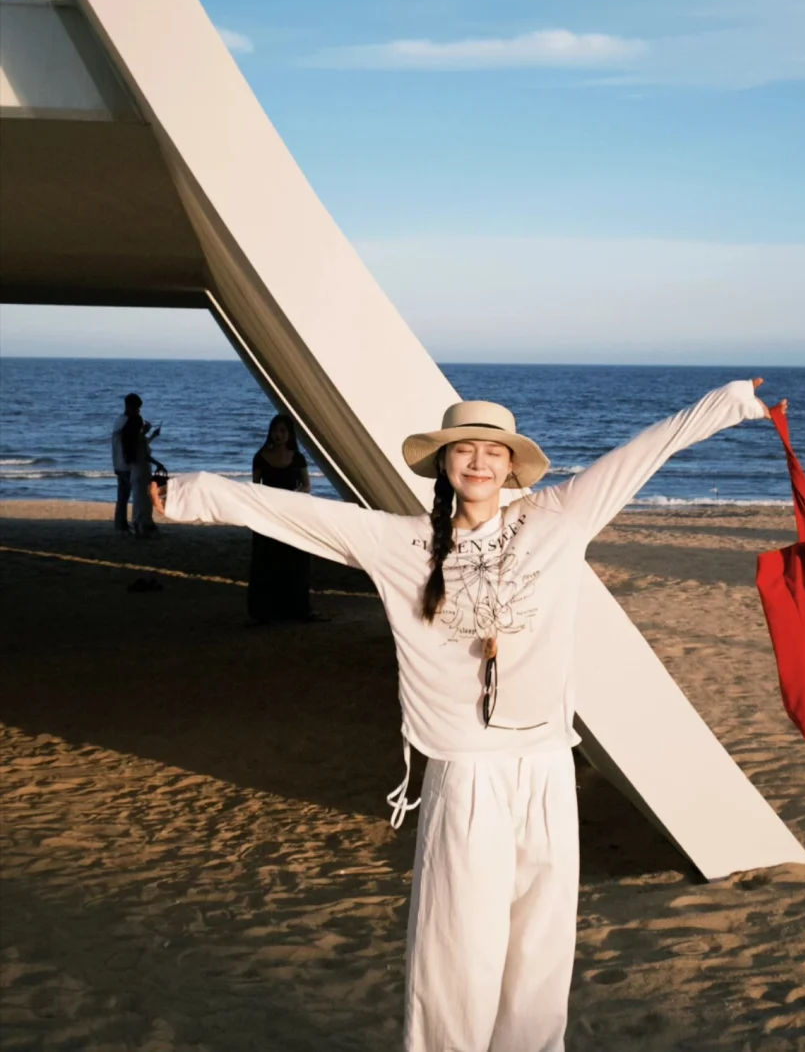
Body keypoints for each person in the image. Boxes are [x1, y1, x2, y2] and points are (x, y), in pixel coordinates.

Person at [152, 378, 771, 1052]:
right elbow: (292, 513)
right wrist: (185, 494)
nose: (479, 462)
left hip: (546, 766)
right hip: (466, 772)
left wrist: (736, 400)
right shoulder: (400, 542)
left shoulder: (559, 517)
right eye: (464, 450)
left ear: (512, 465)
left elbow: (645, 451)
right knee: (456, 950)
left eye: (493, 451)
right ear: (443, 463)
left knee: (541, 948)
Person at [248, 412, 314, 625]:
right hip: (267, 514)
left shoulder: (298, 457)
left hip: (292, 514)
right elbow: (255, 487)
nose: (278, 435)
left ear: (289, 434)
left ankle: (294, 608)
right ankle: (265, 611)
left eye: (283, 431)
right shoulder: (260, 456)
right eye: (275, 431)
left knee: (294, 561)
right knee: (266, 561)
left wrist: (290, 499)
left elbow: (306, 485)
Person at [111, 391, 159, 536]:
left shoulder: (120, 421)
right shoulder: (128, 422)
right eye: (136, 408)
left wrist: (147, 435)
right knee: (138, 497)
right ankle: (134, 524)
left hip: (120, 462)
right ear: (129, 406)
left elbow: (138, 443)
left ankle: (122, 525)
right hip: (127, 463)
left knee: (124, 497)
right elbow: (135, 444)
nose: (138, 411)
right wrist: (144, 432)